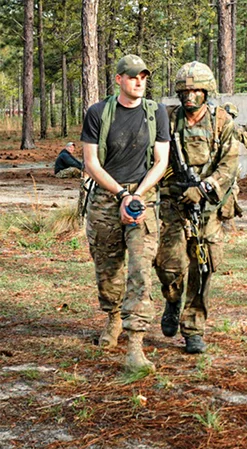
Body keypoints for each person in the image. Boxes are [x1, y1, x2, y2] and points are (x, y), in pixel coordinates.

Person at [80, 54, 170, 373]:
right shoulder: (97, 113)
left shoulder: (156, 112)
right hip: (107, 195)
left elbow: (161, 160)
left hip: (142, 196)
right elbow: (91, 163)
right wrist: (120, 194)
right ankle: (113, 318)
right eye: (133, 77)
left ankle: (135, 342)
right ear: (118, 79)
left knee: (141, 267)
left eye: (144, 77)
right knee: (107, 267)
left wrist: (137, 195)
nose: (139, 82)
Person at [155, 61, 239, 354]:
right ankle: (172, 299)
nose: (190, 96)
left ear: (207, 92)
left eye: (196, 91)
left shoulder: (222, 122)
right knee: (168, 265)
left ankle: (193, 328)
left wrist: (203, 188)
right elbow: (154, 156)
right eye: (185, 91)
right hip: (173, 205)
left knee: (204, 267)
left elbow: (229, 165)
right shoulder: (167, 119)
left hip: (207, 208)